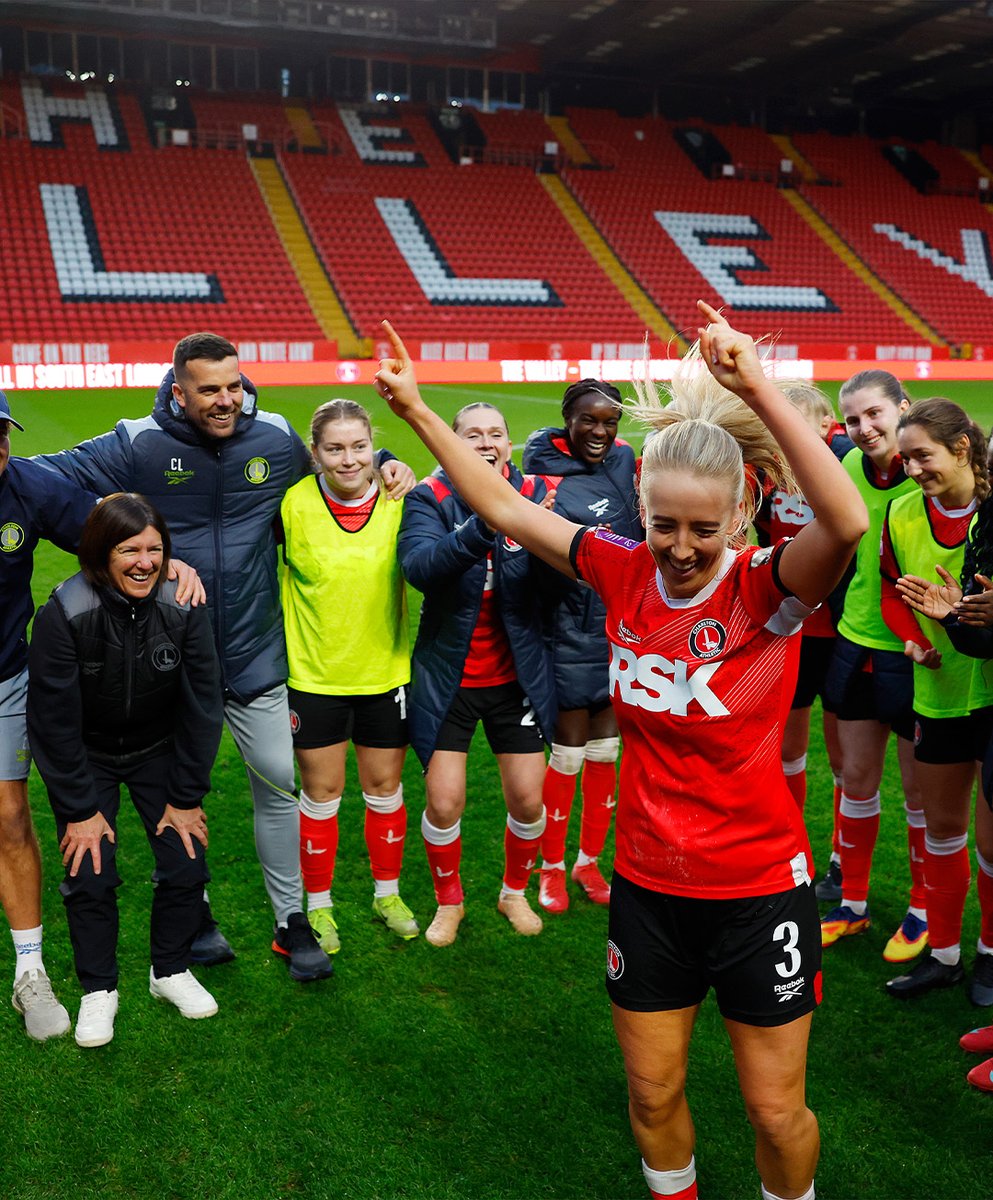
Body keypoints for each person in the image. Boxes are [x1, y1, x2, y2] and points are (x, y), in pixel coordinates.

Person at [375, 305, 867, 1200]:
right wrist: (414, 411)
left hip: (758, 890)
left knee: (773, 1112)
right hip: (648, 889)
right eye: (663, 525)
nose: (679, 550)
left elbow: (844, 522)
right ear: (640, 507)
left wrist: (753, 382)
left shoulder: (769, 588)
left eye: (701, 530)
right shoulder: (620, 566)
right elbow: (504, 507)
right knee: (650, 1095)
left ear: (742, 514)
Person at [35, 332, 414, 982]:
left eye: (233, 385)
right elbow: (42, 481)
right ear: (179, 390)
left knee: (276, 788)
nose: (225, 400)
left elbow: (334, 465)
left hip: (254, 657)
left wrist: (382, 459)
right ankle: (197, 915)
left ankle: (290, 923)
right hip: (165, 667)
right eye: (209, 389)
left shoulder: (272, 435)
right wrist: (114, 545)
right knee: (176, 794)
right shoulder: (137, 442)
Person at [27, 493, 224, 1047]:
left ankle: (169, 971)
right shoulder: (64, 612)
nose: (144, 562)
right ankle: (98, 990)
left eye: (154, 549)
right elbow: (53, 722)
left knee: (187, 861)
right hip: (87, 754)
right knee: (89, 869)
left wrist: (185, 796)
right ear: (99, 553)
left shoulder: (184, 606)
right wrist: (79, 810)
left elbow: (203, 707)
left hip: (156, 750)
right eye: (129, 549)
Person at [399, 402, 557, 946]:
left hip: (517, 679)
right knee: (443, 802)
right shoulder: (429, 497)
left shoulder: (538, 494)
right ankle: (450, 902)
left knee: (529, 800)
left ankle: (514, 891)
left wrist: (550, 537)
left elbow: (566, 579)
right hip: (449, 680)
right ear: (452, 443)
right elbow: (419, 569)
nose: (485, 442)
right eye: (471, 435)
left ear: (509, 444)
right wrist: (481, 527)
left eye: (496, 433)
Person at [282, 399, 416, 960]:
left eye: (359, 446)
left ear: (374, 447)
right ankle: (318, 903)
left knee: (384, 789)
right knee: (322, 793)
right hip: (315, 677)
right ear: (315, 454)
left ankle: (388, 895)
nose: (348, 458)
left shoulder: (399, 497)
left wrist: (399, 466)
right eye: (334, 448)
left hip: (385, 672)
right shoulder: (292, 504)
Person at [879, 400, 993, 1000]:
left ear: (962, 449)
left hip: (990, 695)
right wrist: (912, 641)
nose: (914, 468)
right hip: (939, 690)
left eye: (924, 456)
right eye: (907, 458)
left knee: (992, 844)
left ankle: (989, 956)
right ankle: (944, 954)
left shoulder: (992, 515)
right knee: (942, 831)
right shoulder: (901, 512)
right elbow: (894, 592)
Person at [819, 370, 928, 966]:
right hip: (855, 641)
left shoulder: (928, 478)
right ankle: (854, 906)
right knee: (856, 780)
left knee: (920, 796)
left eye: (875, 415)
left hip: (917, 655)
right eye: (853, 420)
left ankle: (921, 910)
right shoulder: (846, 470)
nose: (863, 429)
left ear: (903, 409)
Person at [522, 379, 641, 914]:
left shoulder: (626, 462)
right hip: (566, 629)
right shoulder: (540, 471)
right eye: (588, 420)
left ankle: (588, 862)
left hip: (619, 629)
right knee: (567, 755)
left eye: (609, 421)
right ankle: (549, 868)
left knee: (606, 752)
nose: (599, 431)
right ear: (566, 418)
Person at [0, 391, 95, 1039]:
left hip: (6, 679)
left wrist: (164, 560)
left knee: (9, 816)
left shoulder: (28, 485)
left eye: (0, 432)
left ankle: (29, 972)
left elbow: (108, 536)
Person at [755, 385, 852, 813]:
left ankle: (838, 851)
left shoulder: (845, 468)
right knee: (787, 746)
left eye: (796, 425)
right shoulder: (768, 472)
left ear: (826, 426)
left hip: (837, 629)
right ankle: (791, 832)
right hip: (787, 624)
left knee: (844, 754)